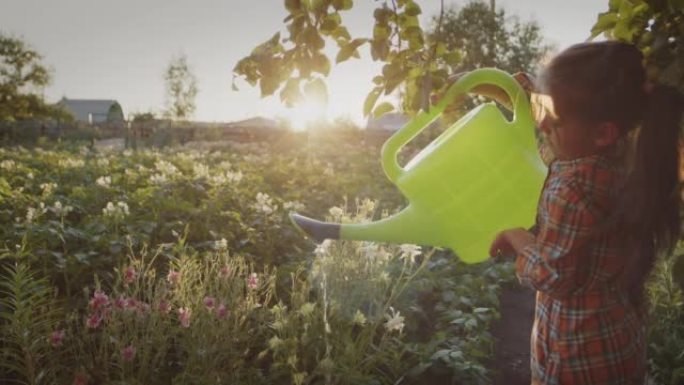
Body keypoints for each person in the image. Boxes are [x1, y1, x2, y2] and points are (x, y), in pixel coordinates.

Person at [488, 41, 683, 384]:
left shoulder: (572, 189)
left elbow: (553, 276)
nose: (542, 122)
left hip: (576, 357)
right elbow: (565, 112)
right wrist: (509, 92)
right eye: (540, 107)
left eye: (552, 117)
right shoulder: (622, 158)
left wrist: (519, 239)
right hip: (614, 341)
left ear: (603, 133)